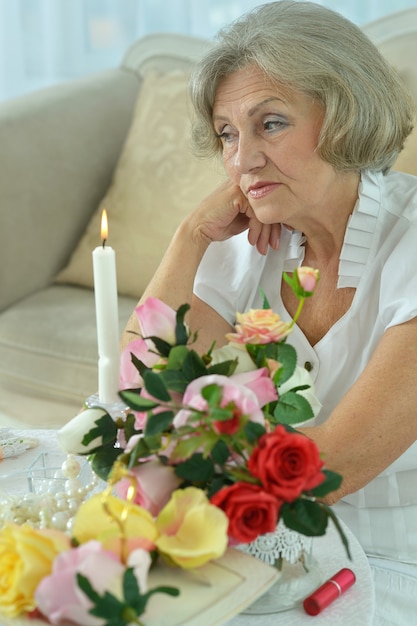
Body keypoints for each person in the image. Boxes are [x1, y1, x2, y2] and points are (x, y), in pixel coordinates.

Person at [122, 2, 417, 623]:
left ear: (342, 117)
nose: (242, 160)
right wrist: (190, 236)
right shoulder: (257, 235)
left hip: (393, 566)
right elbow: (141, 381)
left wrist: (169, 465)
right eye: (228, 134)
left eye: (271, 124)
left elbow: (332, 464)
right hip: (266, 550)